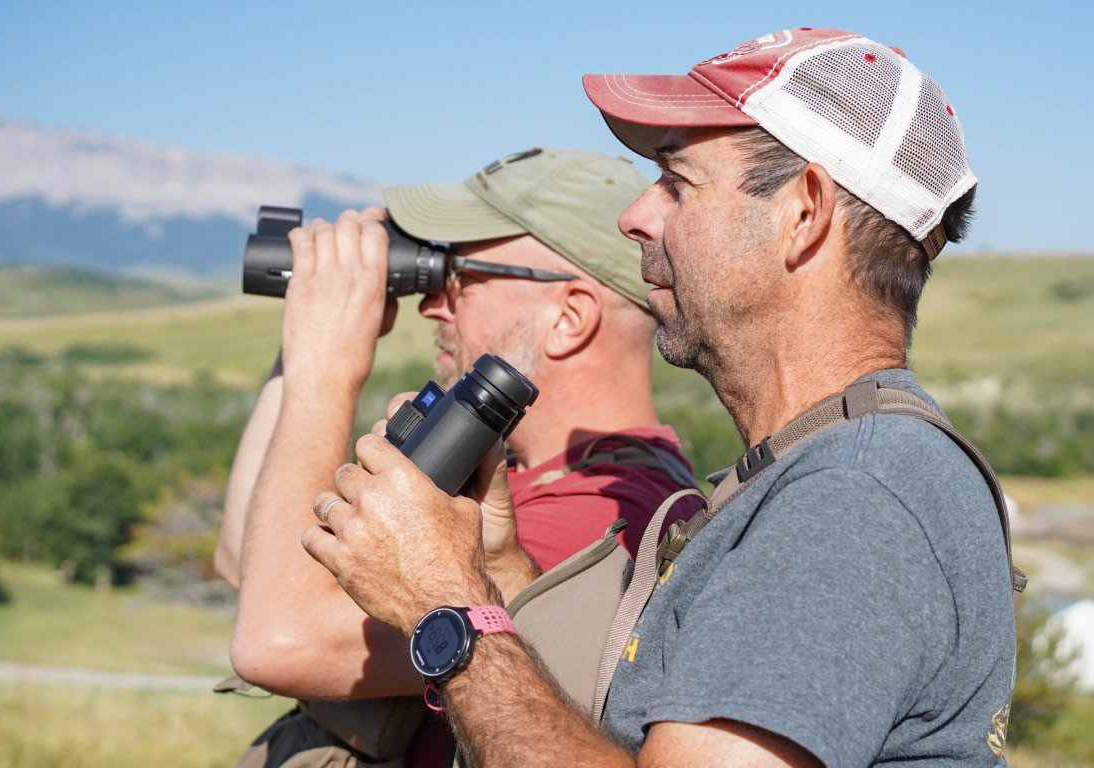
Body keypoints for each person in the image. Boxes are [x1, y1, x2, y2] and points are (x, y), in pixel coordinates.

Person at [302, 28, 1018, 767]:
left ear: (804, 210)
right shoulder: (817, 472)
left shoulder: (854, 495)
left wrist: (443, 605)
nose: (635, 215)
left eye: (678, 183)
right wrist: (492, 568)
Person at [216, 148, 700, 763]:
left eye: (460, 277)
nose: (433, 305)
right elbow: (245, 558)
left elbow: (275, 640)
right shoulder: (525, 484)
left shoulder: (600, 523)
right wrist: (301, 347)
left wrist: (326, 369)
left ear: (569, 317)